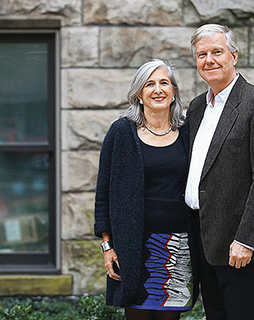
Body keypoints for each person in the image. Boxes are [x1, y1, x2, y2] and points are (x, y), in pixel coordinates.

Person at [185, 24, 254, 320]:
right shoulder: (196, 109)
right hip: (204, 241)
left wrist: (246, 240)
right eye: (202, 54)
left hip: (240, 247)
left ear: (234, 56)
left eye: (217, 51)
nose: (209, 60)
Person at [94, 59, 200, 320]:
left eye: (164, 82)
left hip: (179, 247)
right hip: (135, 247)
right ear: (139, 94)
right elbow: (103, 193)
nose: (158, 89)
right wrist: (108, 246)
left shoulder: (188, 133)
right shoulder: (121, 133)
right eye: (149, 84)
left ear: (173, 91)